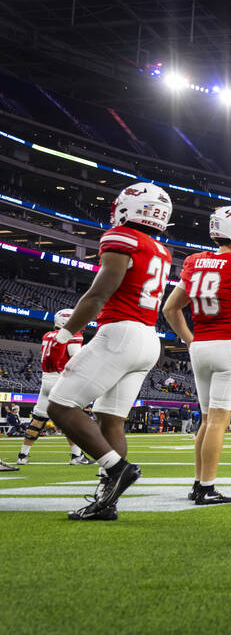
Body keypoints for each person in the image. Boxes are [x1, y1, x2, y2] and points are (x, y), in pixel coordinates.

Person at [46, 182, 174, 520]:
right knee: (111, 421)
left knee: (60, 407)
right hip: (148, 338)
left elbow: (98, 294)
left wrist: (67, 331)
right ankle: (107, 502)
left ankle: (116, 468)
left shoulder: (123, 239)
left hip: (120, 333)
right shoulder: (161, 249)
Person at [162, 206, 231, 505]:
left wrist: (190, 340)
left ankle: (198, 484)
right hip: (229, 346)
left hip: (201, 347)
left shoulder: (195, 262)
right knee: (219, 421)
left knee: (207, 421)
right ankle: (207, 487)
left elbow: (170, 309)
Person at [17, 309, 89, 466]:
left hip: (46, 380)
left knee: (38, 419)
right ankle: (77, 456)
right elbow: (76, 360)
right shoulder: (73, 335)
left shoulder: (47, 335)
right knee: (69, 421)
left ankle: (23, 455)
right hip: (61, 380)